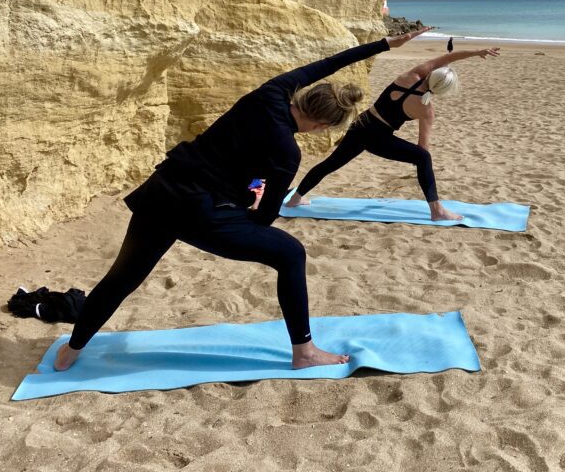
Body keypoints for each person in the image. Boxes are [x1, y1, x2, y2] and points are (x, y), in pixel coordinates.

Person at [53, 28, 430, 372]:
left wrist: (384, 44)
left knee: (124, 276)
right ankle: (305, 352)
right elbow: (265, 218)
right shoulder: (288, 153)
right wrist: (242, 206)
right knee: (290, 254)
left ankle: (72, 350)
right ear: (321, 125)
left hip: (162, 191)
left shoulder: (270, 93)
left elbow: (325, 64)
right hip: (202, 212)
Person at [285, 44, 499, 221]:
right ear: (442, 91)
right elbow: (422, 147)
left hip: (361, 124)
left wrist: (477, 52)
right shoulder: (426, 110)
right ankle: (437, 210)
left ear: (432, 73)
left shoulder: (410, 75)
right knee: (423, 157)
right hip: (379, 137)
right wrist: (419, 164)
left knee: (331, 163)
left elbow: (447, 57)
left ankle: (296, 198)